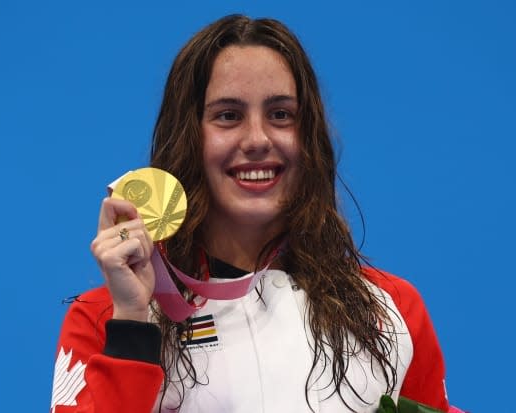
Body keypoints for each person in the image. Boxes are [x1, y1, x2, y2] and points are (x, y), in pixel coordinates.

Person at [51, 14, 451, 413]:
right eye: (228, 115)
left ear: (308, 135)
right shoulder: (106, 318)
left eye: (280, 114)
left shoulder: (388, 309)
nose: (258, 139)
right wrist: (133, 327)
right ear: (188, 136)